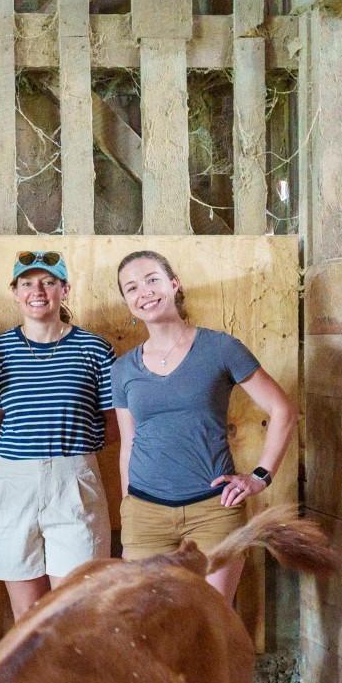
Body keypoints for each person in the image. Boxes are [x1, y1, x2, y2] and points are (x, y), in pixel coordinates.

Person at [112, 249, 296, 599]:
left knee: (212, 619)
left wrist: (260, 476)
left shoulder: (220, 348)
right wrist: (129, 512)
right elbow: (129, 444)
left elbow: (282, 409)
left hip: (214, 510)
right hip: (144, 515)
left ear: (174, 284)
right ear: (127, 301)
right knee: (150, 620)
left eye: (152, 280)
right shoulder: (122, 369)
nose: (144, 292)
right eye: (132, 287)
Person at [0, 250, 117, 621]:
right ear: (15, 292)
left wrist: (73, 452)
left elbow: (114, 421)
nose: (37, 291)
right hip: (13, 480)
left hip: (74, 480)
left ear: (64, 290)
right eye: (27, 283)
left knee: (76, 610)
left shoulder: (95, 349)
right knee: (29, 616)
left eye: (49, 282)